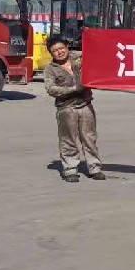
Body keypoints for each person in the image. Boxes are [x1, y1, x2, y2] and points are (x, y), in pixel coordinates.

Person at [43, 35, 105, 183]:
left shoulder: (78, 58)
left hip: (85, 104)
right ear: (51, 53)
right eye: (55, 50)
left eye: (61, 48)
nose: (59, 52)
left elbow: (97, 54)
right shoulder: (50, 69)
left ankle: (94, 168)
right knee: (68, 140)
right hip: (66, 108)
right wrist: (73, 89)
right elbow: (51, 89)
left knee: (89, 138)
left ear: (67, 47)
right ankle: (70, 169)